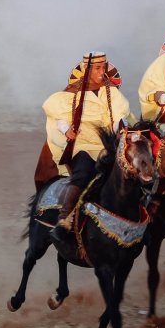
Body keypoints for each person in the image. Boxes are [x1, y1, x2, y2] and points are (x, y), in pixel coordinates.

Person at [44, 52, 131, 244]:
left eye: (103, 68)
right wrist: (66, 130)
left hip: (107, 145)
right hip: (82, 145)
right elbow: (59, 115)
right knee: (82, 175)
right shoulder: (72, 93)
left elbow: (119, 115)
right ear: (87, 70)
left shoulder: (111, 92)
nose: (102, 72)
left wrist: (121, 126)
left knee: (130, 173)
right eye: (97, 69)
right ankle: (65, 219)